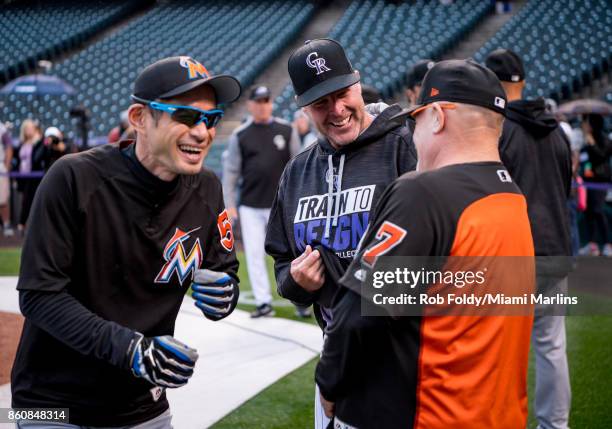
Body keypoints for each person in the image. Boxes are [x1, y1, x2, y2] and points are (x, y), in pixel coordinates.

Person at [11, 56, 242, 428]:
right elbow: (39, 295)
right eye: (184, 116)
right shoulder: (73, 177)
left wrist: (225, 292)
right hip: (49, 402)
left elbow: (223, 270)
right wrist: (130, 348)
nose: (202, 132)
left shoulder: (208, 188)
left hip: (142, 404)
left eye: (211, 119)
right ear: (139, 119)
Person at [315, 59, 535, 428]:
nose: (413, 133)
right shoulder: (512, 197)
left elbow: (359, 312)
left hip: (426, 412)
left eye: (416, 120)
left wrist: (328, 381)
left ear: (438, 116)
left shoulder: (423, 192)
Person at [265, 38, 417, 429]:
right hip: (334, 353)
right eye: (320, 104)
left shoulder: (405, 147)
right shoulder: (297, 172)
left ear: (358, 83)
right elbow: (283, 264)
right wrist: (297, 282)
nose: (336, 110)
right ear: (302, 106)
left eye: (342, 94)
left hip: (404, 358)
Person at [486, 48, 573, 429]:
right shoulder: (558, 130)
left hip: (515, 252)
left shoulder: (498, 129)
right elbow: (565, 188)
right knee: (552, 345)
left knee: (502, 348)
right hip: (556, 247)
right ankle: (555, 425)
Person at [222, 85, 301, 318]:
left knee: (295, 252)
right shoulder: (240, 135)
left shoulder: (287, 130)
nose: (264, 105)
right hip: (251, 205)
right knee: (255, 254)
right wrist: (230, 206)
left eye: (267, 100)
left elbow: (299, 166)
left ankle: (301, 298)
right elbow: (231, 173)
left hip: (283, 204)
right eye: (259, 101)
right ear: (250, 105)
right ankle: (263, 302)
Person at [579, 113, 612, 256]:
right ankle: (592, 245)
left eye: (586, 122)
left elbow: (601, 156)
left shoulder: (605, 140)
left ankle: (607, 244)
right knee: (589, 213)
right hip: (588, 182)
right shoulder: (586, 140)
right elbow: (584, 159)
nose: (583, 125)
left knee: (598, 211)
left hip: (600, 182)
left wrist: (591, 144)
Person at [15, 118, 44, 232]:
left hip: (34, 176)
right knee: (25, 200)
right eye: (26, 128)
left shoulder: (38, 142)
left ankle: (24, 223)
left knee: (30, 200)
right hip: (23, 176)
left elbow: (38, 158)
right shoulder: (22, 143)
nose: (29, 130)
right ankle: (24, 224)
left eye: (31, 128)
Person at [0, 121, 14, 236]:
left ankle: (6, 224)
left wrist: (6, 165)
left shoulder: (1, 128)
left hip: (0, 167)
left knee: (2, 199)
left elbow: (9, 146)